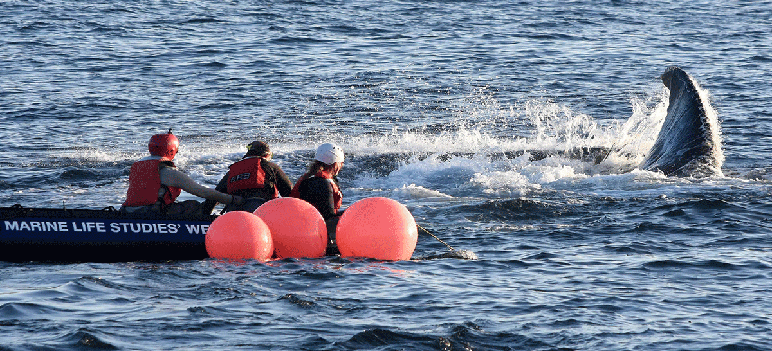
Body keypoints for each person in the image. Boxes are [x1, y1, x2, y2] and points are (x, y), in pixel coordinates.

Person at [120, 130, 243, 217]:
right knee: (193, 205)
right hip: (151, 213)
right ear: (172, 151)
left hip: (127, 211)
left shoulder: (137, 166)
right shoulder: (168, 171)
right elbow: (202, 192)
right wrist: (231, 199)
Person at [201, 140, 293, 213]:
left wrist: (204, 216)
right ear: (267, 154)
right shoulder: (271, 167)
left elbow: (215, 196)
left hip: (234, 212)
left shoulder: (233, 170)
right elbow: (289, 193)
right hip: (261, 212)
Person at [290, 142, 345, 255]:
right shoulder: (323, 183)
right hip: (314, 232)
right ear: (334, 163)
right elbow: (328, 216)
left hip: (298, 228)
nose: (341, 166)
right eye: (341, 163)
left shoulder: (307, 178)